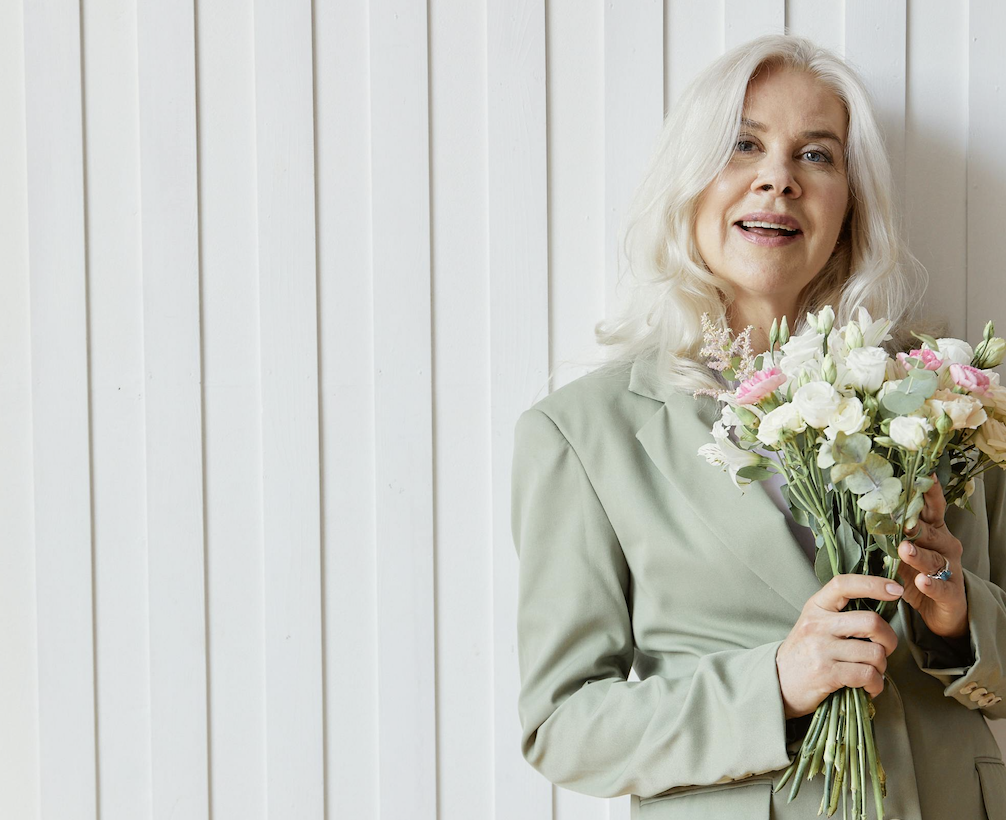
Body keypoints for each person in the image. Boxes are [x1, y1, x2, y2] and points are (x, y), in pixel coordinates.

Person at [510, 34, 1006, 819]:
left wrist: (958, 620)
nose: (778, 177)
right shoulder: (582, 436)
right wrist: (771, 684)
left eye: (818, 155)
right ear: (690, 181)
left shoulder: (945, 400)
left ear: (850, 204)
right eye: (743, 144)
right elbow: (564, 728)